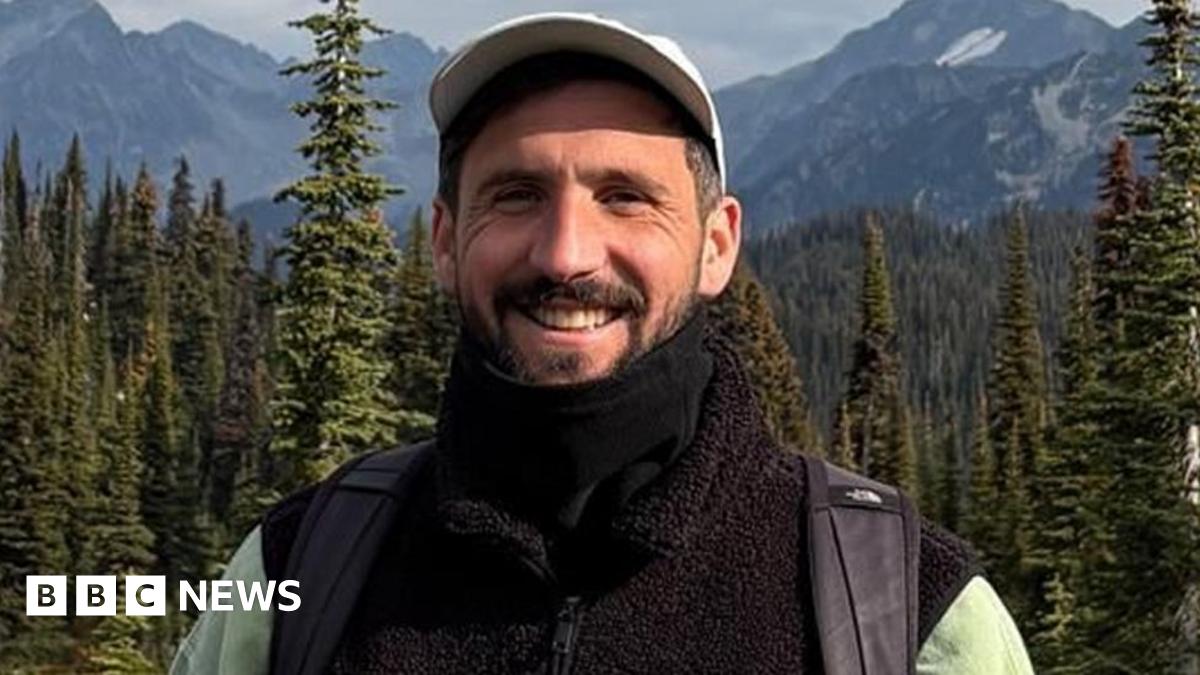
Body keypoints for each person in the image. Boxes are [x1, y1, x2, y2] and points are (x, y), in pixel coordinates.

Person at [171, 12, 1034, 674]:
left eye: (625, 197)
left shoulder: (906, 607)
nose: (565, 254)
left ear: (716, 244)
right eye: (515, 195)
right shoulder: (297, 575)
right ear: (442, 238)